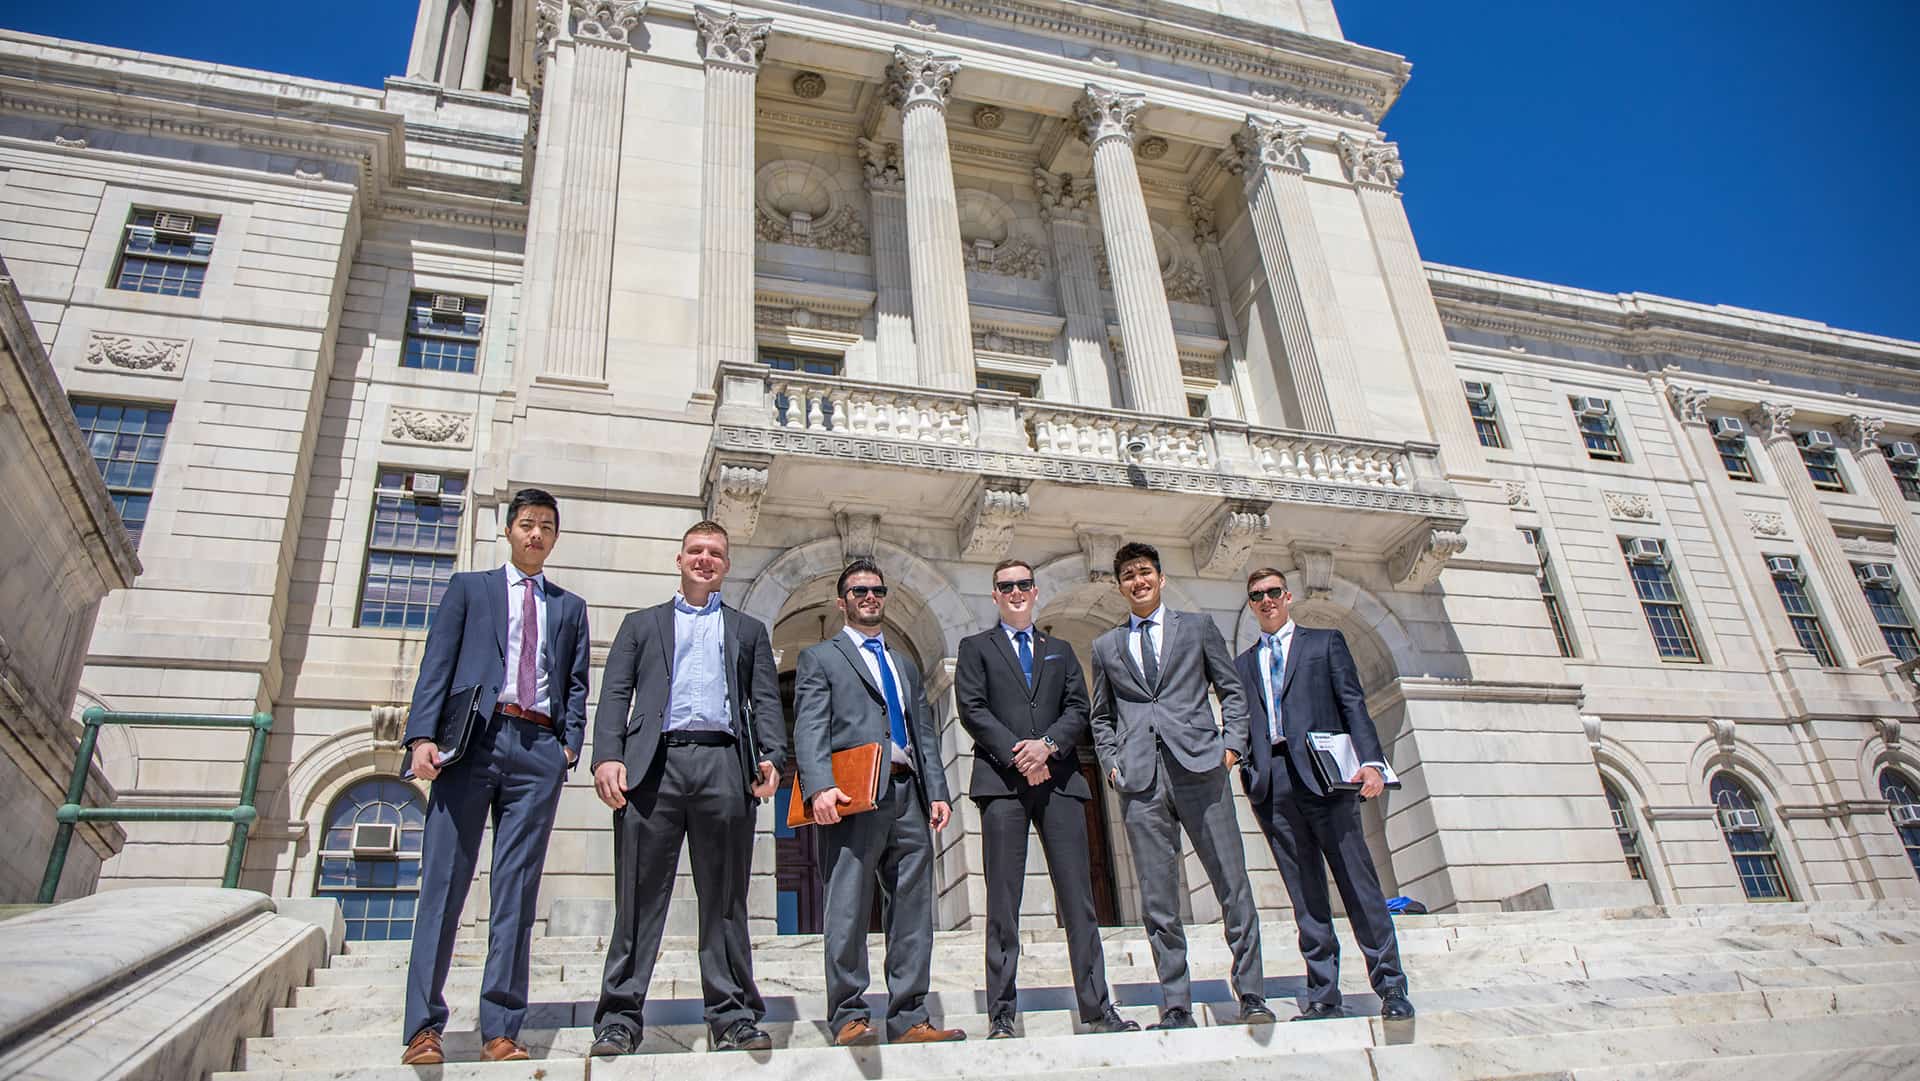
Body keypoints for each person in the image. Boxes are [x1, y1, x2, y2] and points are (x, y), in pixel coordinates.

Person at [400, 488, 591, 1065]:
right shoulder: (470, 589)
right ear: (509, 531)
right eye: (528, 524)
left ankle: (501, 1027)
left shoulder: (569, 606)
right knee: (444, 885)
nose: (536, 534)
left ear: (555, 538)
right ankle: (423, 1027)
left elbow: (577, 683)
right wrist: (421, 737)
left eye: (547, 527)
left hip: (538, 749)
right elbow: (438, 662)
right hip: (471, 743)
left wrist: (568, 747)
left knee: (516, 892)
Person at [587, 520, 787, 1056]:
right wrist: (607, 756)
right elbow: (614, 696)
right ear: (679, 559)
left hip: (724, 764)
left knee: (725, 899)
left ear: (726, 563)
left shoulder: (748, 631)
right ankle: (619, 1018)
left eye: (715, 553)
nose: (705, 559)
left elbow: (765, 701)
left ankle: (733, 1016)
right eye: (696, 551)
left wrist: (772, 756)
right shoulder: (641, 625)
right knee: (637, 896)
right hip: (653, 768)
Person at [1088, 541, 1271, 1030]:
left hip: (1201, 770)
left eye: (1145, 572)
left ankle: (1251, 992)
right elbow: (1101, 715)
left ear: (1161, 578)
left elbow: (1231, 690)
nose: (1138, 581)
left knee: (1233, 885)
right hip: (1141, 782)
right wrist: (1111, 763)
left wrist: (1231, 747)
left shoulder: (1197, 627)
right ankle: (1175, 1004)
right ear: (1120, 585)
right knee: (1158, 899)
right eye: (1128, 575)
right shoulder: (1106, 646)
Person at [955, 559, 1141, 1039]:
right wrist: (1020, 755)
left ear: (1035, 592)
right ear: (994, 595)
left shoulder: (1058, 649)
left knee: (1079, 899)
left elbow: (1080, 707)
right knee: (1002, 902)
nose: (1015, 592)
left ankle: (1098, 1009)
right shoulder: (975, 648)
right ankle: (1001, 1015)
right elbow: (972, 709)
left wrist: (1048, 747)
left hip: (1059, 782)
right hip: (1002, 784)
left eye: (1023, 584)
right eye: (1005, 586)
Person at [792, 559, 966, 1046]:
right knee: (847, 903)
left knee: (912, 909)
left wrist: (938, 791)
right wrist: (818, 785)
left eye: (876, 590)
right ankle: (848, 1012)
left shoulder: (904, 664)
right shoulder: (820, 658)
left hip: (908, 793)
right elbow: (809, 726)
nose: (869, 597)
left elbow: (922, 732)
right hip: (852, 794)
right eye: (858, 590)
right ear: (841, 600)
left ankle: (909, 1017)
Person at [1237, 568, 1414, 1021]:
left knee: (1359, 885)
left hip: (1326, 777)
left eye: (1273, 592)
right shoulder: (1244, 662)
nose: (1266, 601)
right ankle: (1323, 995)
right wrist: (1248, 770)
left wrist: (1371, 764)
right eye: (1257, 595)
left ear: (1288, 596)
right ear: (1251, 603)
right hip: (1274, 784)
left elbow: (1353, 703)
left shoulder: (1324, 643)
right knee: (1306, 897)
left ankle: (1390, 986)